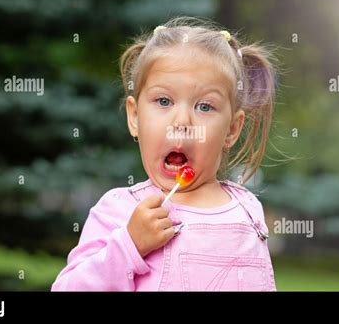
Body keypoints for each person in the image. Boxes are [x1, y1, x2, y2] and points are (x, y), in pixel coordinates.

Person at [52, 17, 277, 291]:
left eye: (205, 106)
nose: (182, 121)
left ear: (231, 129)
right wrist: (128, 246)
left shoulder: (248, 210)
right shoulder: (119, 212)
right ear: (134, 117)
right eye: (163, 101)